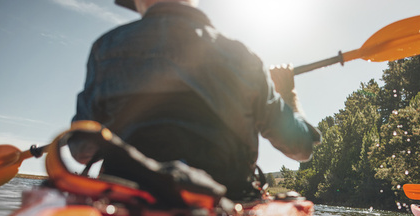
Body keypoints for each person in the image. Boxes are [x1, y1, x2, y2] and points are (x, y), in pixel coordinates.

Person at [72, 0, 320, 200]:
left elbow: (81, 151)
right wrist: (288, 92)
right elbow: (300, 147)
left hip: (124, 199)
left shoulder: (104, 49)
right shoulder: (244, 59)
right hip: (224, 204)